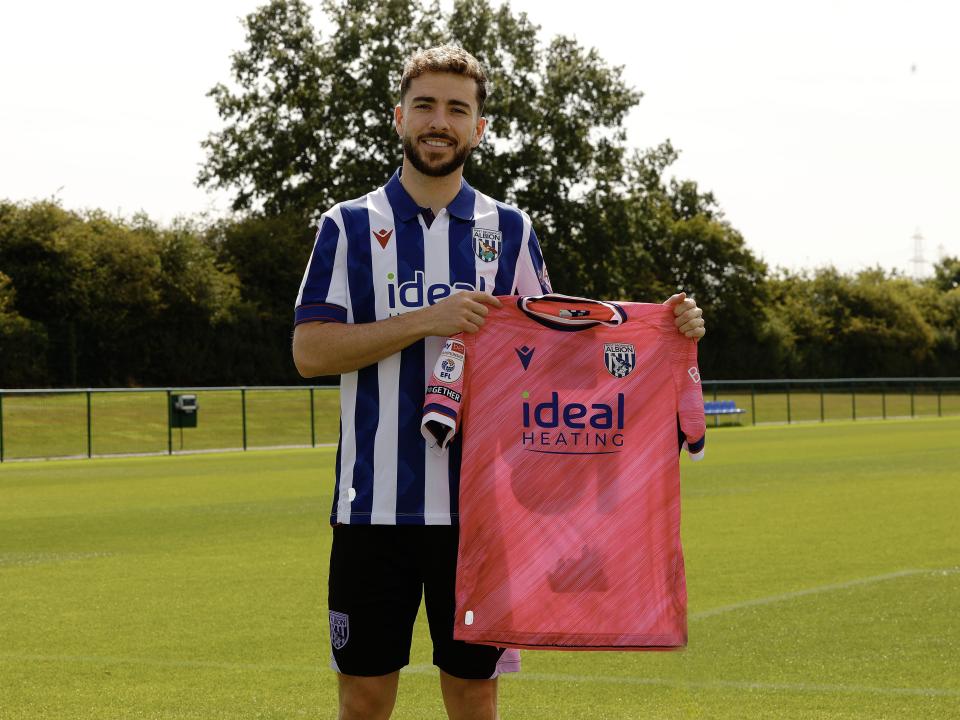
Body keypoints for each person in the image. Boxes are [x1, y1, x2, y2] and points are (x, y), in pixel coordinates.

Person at [292, 45, 706, 720]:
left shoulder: (508, 231)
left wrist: (667, 332)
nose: (439, 120)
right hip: (371, 511)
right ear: (399, 118)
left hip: (480, 516)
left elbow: (563, 353)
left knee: (473, 694)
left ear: (478, 128)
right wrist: (429, 319)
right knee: (364, 698)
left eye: (457, 108)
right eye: (425, 105)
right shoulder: (349, 225)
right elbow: (309, 351)